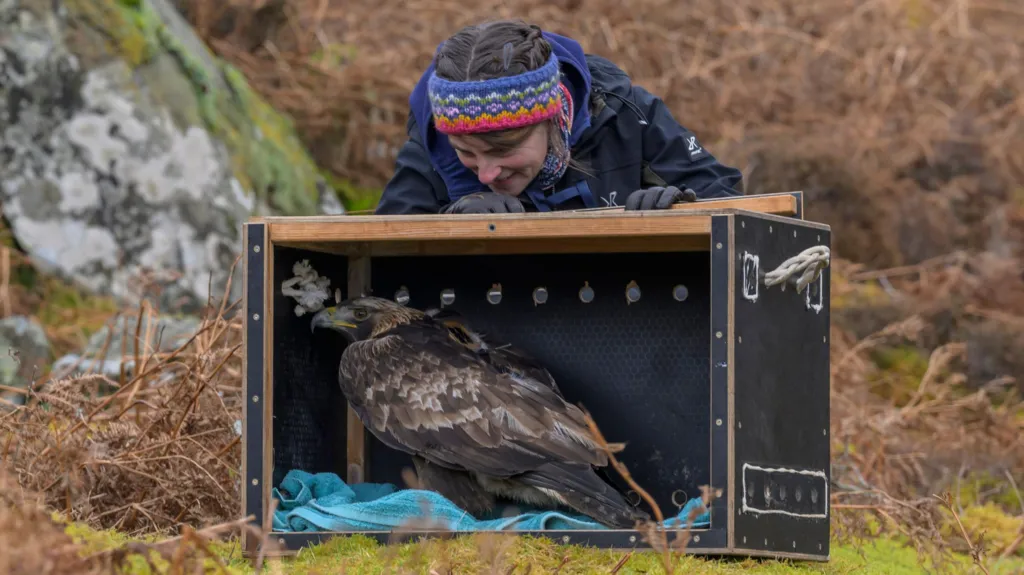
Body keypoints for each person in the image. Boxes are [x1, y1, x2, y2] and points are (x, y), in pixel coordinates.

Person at [374, 20, 744, 215]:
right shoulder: (432, 142)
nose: (486, 173)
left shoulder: (625, 113)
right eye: (466, 152)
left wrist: (684, 212)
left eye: (504, 149)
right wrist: (449, 229)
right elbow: (384, 263)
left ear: (553, 119)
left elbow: (733, 205)